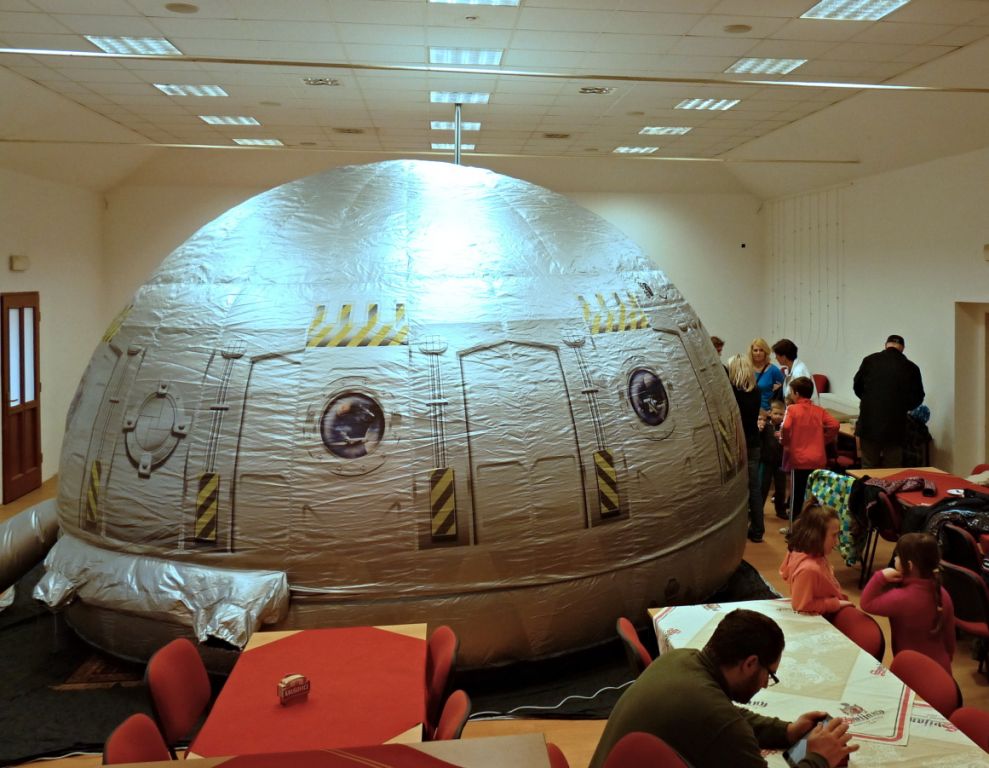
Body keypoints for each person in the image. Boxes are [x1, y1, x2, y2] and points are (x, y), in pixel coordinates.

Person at [587, 609, 857, 768]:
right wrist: (819, 758)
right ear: (750, 663)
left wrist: (786, 731)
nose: (765, 684)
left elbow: (725, 715)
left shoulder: (680, 658)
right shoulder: (716, 718)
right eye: (770, 674)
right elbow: (723, 720)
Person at [860, 532, 956, 673]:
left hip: (912, 671)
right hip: (941, 669)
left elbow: (866, 603)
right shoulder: (943, 594)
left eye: (898, 556)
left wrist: (880, 577)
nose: (895, 559)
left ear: (909, 565)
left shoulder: (900, 598)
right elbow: (950, 638)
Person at [852, 334, 925, 468]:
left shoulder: (869, 361)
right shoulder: (912, 368)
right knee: (893, 467)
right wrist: (903, 407)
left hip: (869, 424)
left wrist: (869, 401)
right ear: (903, 348)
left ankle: (869, 482)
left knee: (868, 466)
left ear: (886, 345)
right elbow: (918, 396)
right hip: (895, 426)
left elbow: (857, 386)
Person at [780, 377, 838, 521]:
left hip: (799, 459)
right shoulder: (820, 410)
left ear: (796, 393)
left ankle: (794, 528)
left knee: (797, 496)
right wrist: (823, 440)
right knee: (815, 497)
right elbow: (835, 425)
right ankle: (814, 527)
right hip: (818, 459)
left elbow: (785, 427)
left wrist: (786, 442)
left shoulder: (791, 409)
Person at [780, 505, 853, 616]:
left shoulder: (815, 555)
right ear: (816, 536)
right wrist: (836, 603)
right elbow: (802, 606)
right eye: (834, 535)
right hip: (825, 616)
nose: (837, 542)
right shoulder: (808, 569)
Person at [729, 355, 764, 542]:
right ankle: (758, 530)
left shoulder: (731, 393)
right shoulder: (756, 391)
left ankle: (737, 529)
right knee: (754, 488)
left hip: (736, 443)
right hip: (753, 442)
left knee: (735, 488)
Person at [759, 399, 788, 520]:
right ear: (770, 413)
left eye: (781, 414)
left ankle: (780, 510)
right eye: (776, 413)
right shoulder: (766, 426)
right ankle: (758, 509)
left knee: (781, 487)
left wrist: (783, 436)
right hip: (767, 461)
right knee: (763, 486)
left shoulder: (785, 427)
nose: (778, 416)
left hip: (780, 462)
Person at [748, 337, 785, 412]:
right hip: (750, 411)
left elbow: (784, 391)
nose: (758, 353)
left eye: (761, 350)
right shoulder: (747, 369)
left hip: (767, 412)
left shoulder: (774, 371)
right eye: (755, 350)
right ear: (751, 352)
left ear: (765, 352)